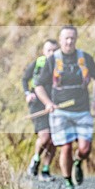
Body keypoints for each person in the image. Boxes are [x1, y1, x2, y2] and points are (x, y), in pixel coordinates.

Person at [34, 26, 95, 189]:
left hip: (83, 110)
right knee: (66, 147)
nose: (69, 41)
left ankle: (78, 161)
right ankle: (68, 183)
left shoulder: (85, 58)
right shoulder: (52, 60)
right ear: (61, 39)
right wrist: (48, 103)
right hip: (60, 112)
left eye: (72, 38)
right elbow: (39, 85)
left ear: (76, 39)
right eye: (66, 38)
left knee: (85, 148)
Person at [22, 39, 59, 181]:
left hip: (56, 104)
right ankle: (36, 160)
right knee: (45, 137)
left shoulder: (61, 65)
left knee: (54, 140)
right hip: (38, 104)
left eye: (54, 50)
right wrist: (27, 93)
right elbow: (25, 79)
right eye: (49, 50)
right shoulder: (38, 63)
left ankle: (46, 169)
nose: (52, 53)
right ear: (44, 51)